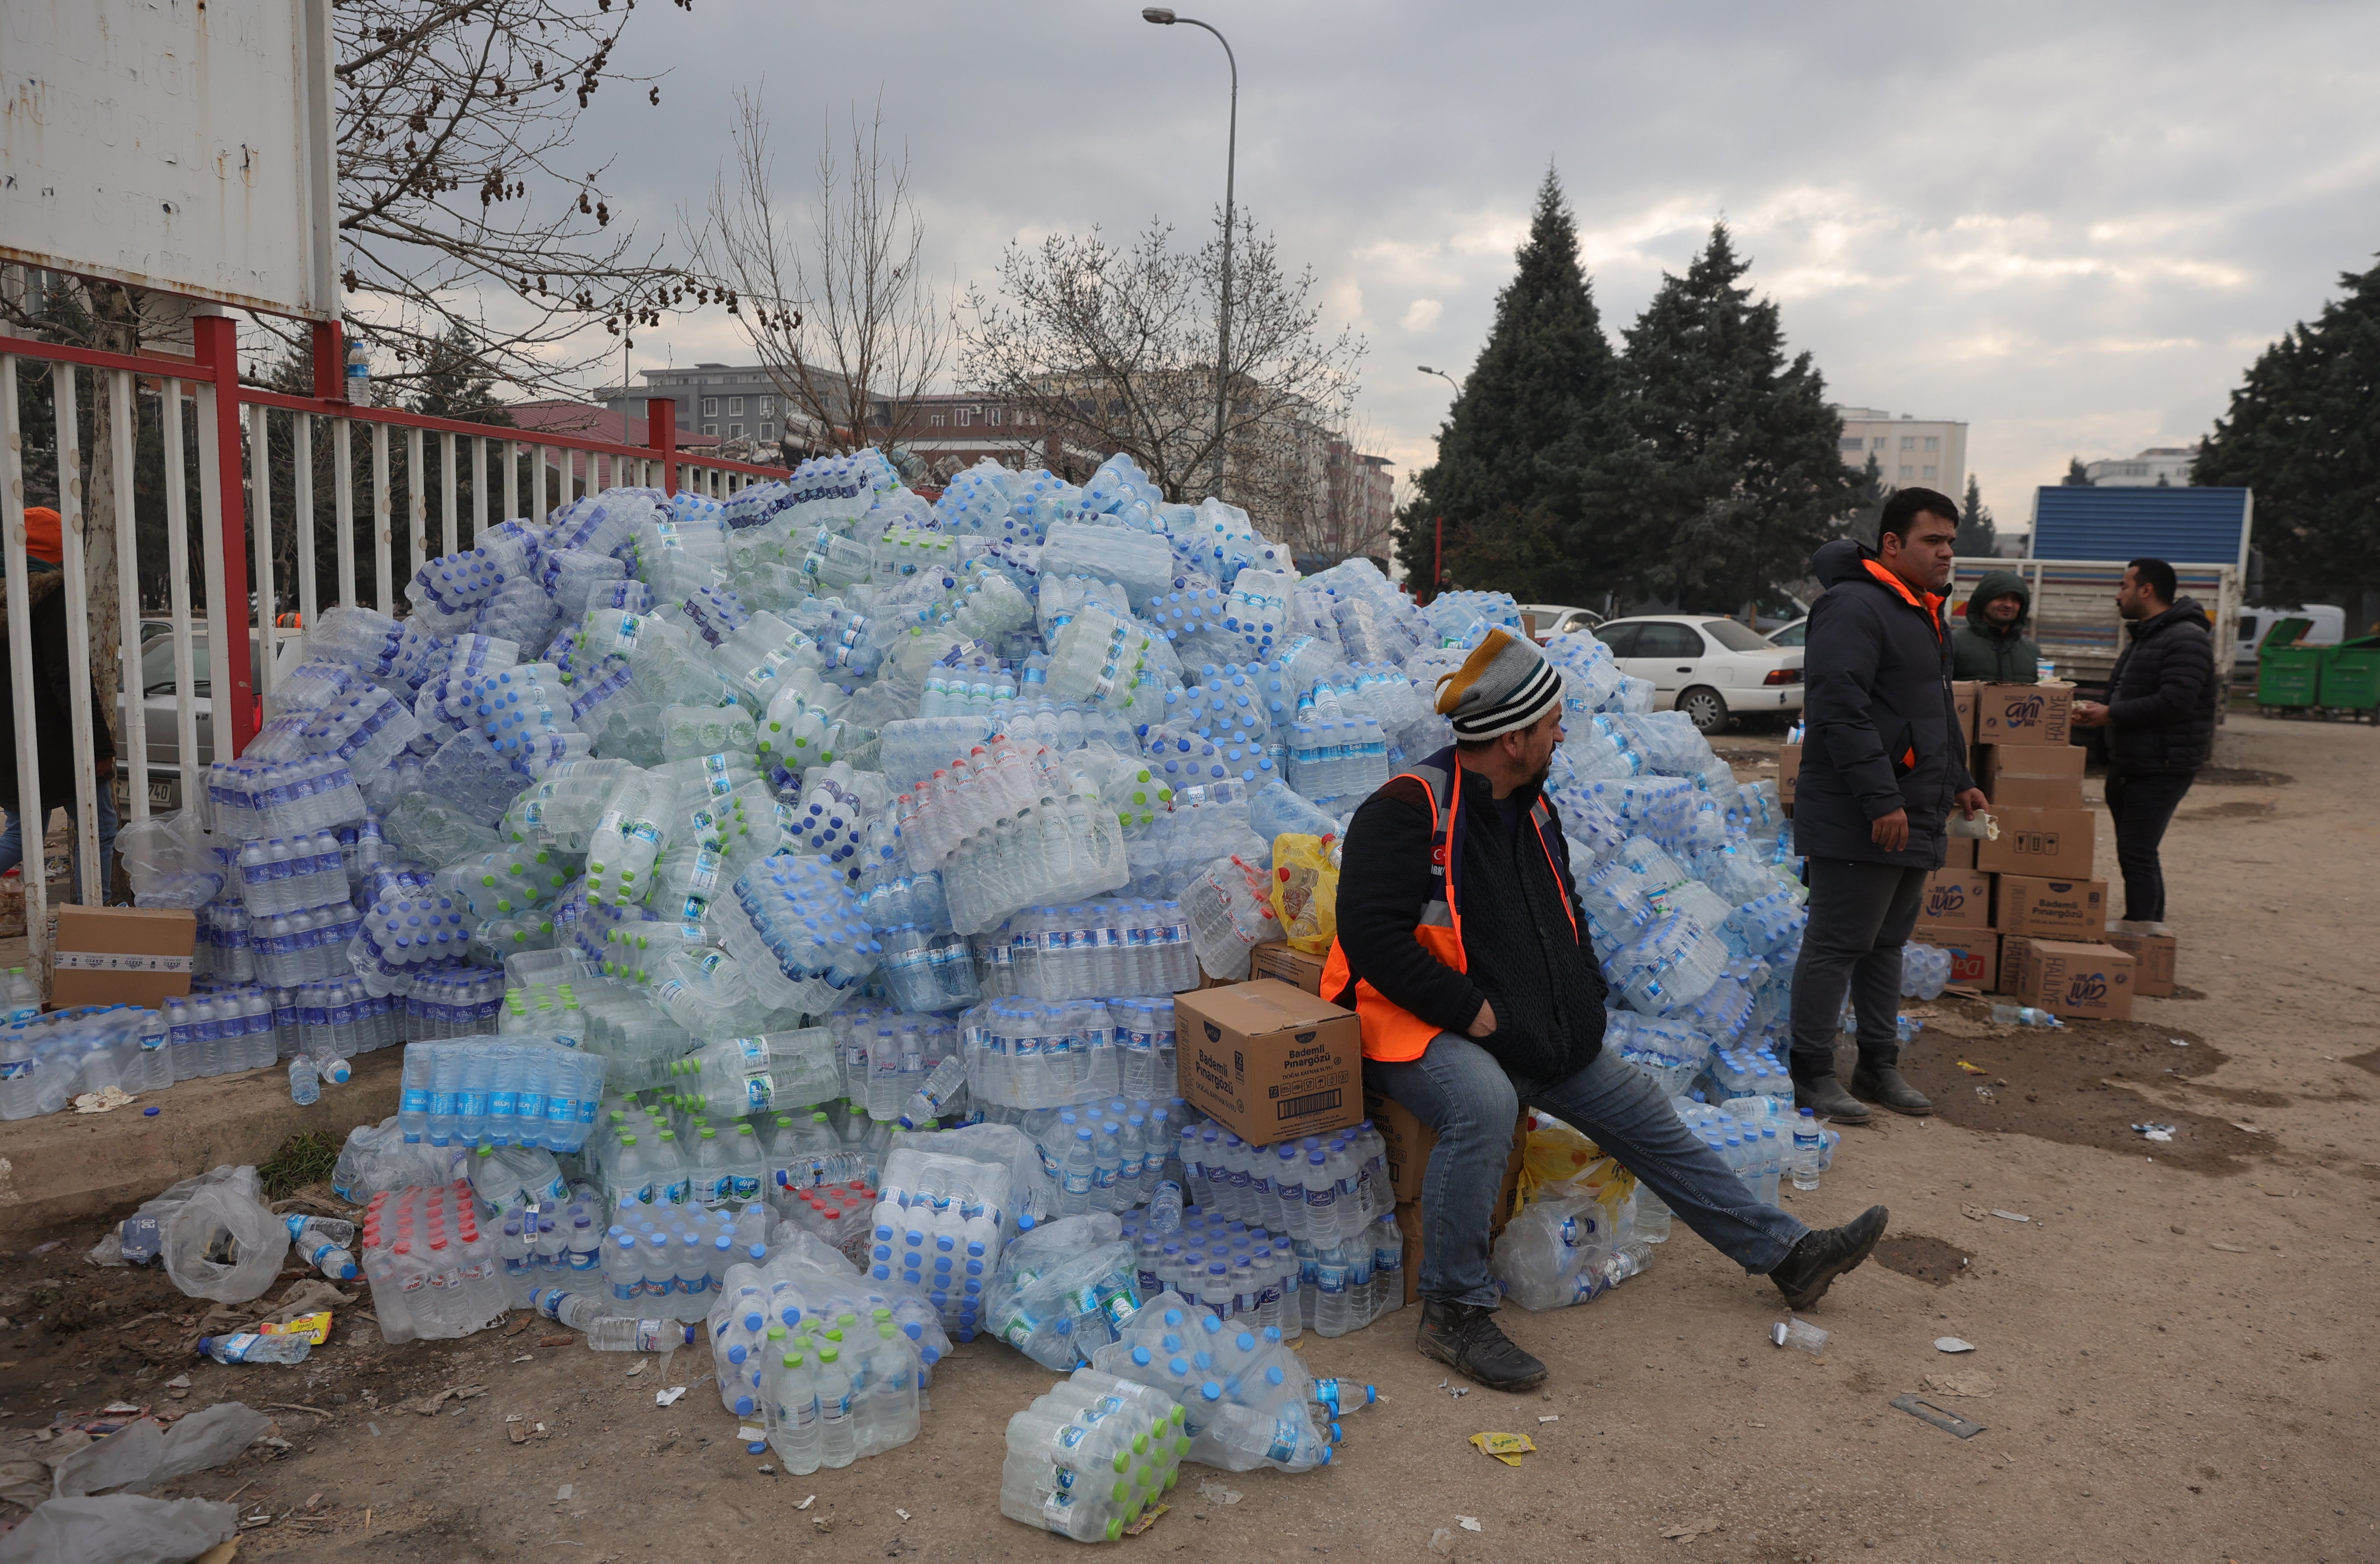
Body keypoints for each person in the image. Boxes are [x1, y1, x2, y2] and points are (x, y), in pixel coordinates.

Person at [1329, 627, 1889, 1392]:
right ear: (1514, 737)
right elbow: (1368, 938)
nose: (1563, 734)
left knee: (1645, 1111)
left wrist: (1581, 1003)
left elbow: (1565, 918)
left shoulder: (1533, 807)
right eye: (1552, 723)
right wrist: (1471, 1012)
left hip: (1525, 1023)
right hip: (1415, 1019)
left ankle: (1788, 1254)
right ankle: (1452, 1309)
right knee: (1484, 1102)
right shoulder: (1404, 808)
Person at [1789, 491, 1990, 1123]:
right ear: (1893, 545)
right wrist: (1881, 797)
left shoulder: (1924, 612)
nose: (1948, 553)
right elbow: (1838, 708)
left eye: (1952, 541)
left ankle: (1880, 1066)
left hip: (1917, 808)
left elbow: (1934, 710)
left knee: (1886, 945)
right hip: (1862, 813)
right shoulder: (1853, 607)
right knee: (1836, 943)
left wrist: (1960, 778)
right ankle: (1812, 1072)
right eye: (1934, 541)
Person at [2070, 558, 2215, 938]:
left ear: (2146, 590)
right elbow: (2129, 694)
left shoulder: (2185, 638)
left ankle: (2141, 937)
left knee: (2137, 853)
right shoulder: (2149, 636)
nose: (2119, 596)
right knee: (2138, 852)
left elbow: (2175, 702)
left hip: (2161, 766)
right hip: (2133, 762)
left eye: (2124, 586)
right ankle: (2151, 932)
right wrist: (2095, 717)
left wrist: (2111, 714)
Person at [0, 506, 119, 904]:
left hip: (15, 745)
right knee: (98, 828)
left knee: (23, 834)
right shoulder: (51, 595)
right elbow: (67, 677)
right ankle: (91, 921)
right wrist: (99, 746)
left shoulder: (10, 597)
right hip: (58, 742)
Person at [1950, 570, 2041, 683]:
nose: (2009, 605)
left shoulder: (2032, 651)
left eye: (2015, 599)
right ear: (1983, 601)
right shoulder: (1953, 644)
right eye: (2001, 597)